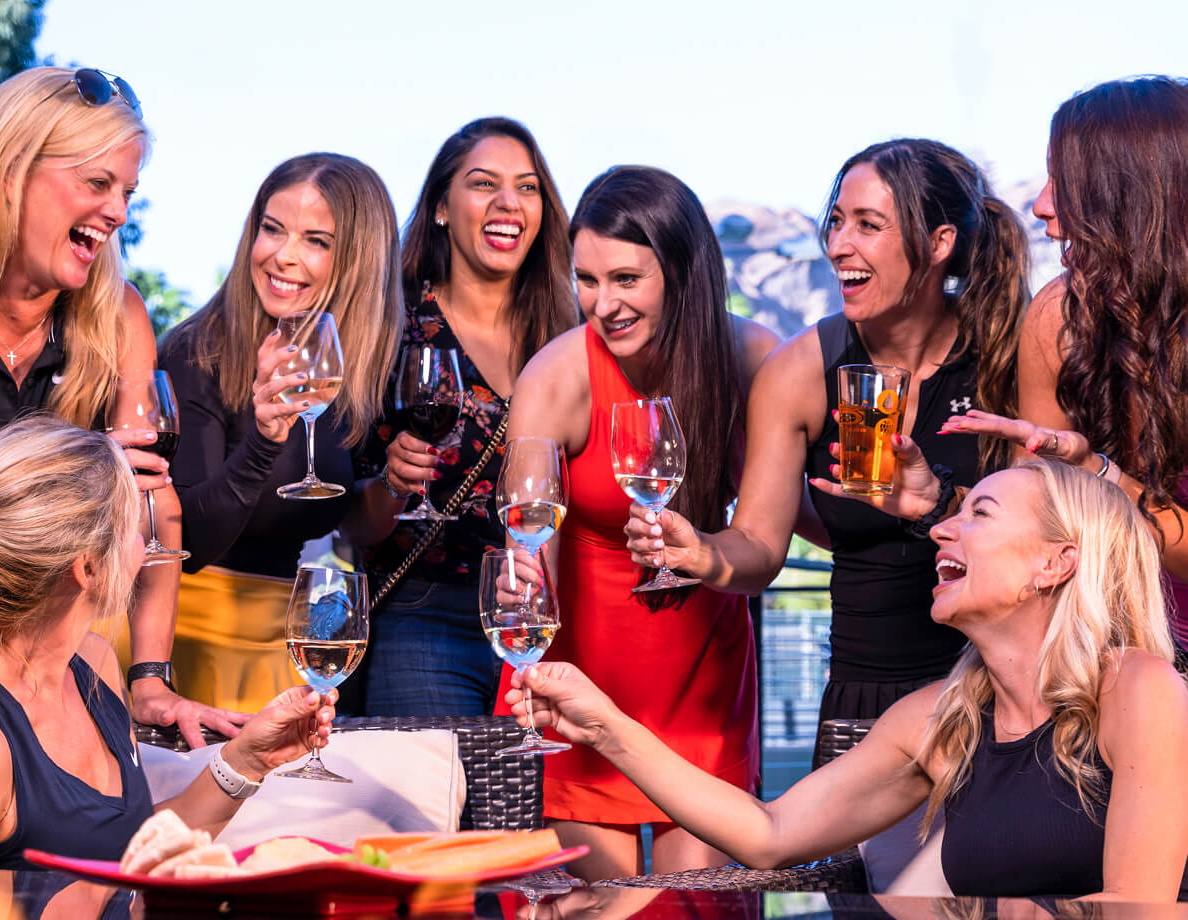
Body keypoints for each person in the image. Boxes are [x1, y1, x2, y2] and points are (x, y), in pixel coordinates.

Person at [512, 460, 1188, 901]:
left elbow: (1137, 911)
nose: (942, 530)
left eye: (978, 514)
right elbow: (767, 833)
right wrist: (604, 725)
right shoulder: (945, 719)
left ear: (1057, 563)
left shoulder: (1139, 692)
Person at [0, 65, 234, 745]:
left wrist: (148, 678)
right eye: (97, 184)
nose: (119, 212)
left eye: (127, 192)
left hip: (44, 689)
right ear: (10, 173)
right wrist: (69, 487)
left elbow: (155, 511)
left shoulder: (118, 318)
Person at [625, 139, 1031, 744]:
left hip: (1004, 690)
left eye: (869, 225)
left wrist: (940, 503)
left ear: (940, 243)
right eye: (838, 221)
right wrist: (703, 553)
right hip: (864, 699)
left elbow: (1047, 536)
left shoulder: (1013, 352)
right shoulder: (798, 373)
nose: (839, 244)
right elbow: (759, 548)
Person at [0, 417, 336, 873]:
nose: (148, 544)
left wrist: (246, 762)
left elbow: (121, 853)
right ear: (88, 568)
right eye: (134, 524)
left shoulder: (93, 662)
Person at [506, 164, 779, 880]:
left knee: (702, 905)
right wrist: (519, 595)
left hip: (704, 692)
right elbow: (527, 551)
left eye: (627, 279)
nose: (602, 304)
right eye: (587, 280)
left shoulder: (752, 360)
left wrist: (708, 552)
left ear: (683, 272)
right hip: (585, 696)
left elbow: (767, 546)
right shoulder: (554, 379)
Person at [940, 76, 1188, 663]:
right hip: (1112, 656)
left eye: (1066, 180)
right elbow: (1039, 526)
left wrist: (1097, 472)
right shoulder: (1058, 315)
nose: (1041, 204)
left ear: (1132, 194)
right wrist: (938, 502)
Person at [346, 116, 577, 716]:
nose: (509, 203)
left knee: (528, 809)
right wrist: (393, 485)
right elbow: (353, 526)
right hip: (426, 619)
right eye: (484, 184)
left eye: (527, 187)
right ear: (442, 207)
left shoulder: (571, 338)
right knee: (430, 800)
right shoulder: (390, 330)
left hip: (549, 620)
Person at [158, 153, 402, 712]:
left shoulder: (350, 371)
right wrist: (264, 442)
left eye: (316, 240)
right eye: (272, 229)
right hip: (188, 636)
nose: (283, 255)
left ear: (357, 261)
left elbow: (347, 522)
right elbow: (186, 543)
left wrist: (395, 483)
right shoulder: (197, 352)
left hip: (284, 643)